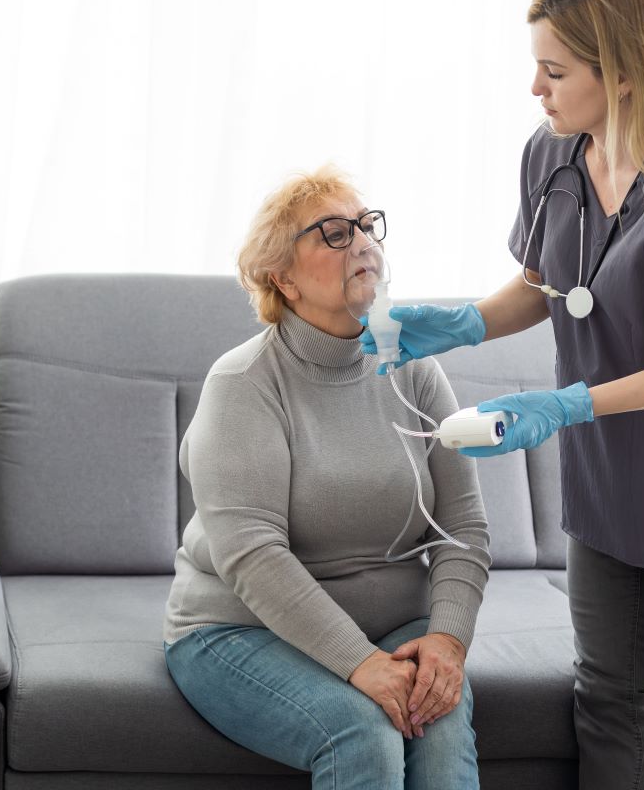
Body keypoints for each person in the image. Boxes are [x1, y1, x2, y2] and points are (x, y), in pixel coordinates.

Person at [363, 0, 644, 788]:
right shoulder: (550, 156)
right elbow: (545, 286)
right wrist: (466, 323)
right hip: (603, 475)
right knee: (607, 695)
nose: (536, 90)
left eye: (554, 71)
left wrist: (566, 404)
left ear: (620, 74)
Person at [162, 165, 492, 790]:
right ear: (282, 278)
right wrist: (359, 663)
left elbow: (464, 527)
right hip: (238, 630)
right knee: (362, 731)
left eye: (367, 226)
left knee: (441, 736)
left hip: (398, 626)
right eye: (334, 233)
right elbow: (253, 556)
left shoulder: (416, 369)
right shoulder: (243, 383)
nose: (363, 241)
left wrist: (447, 640)